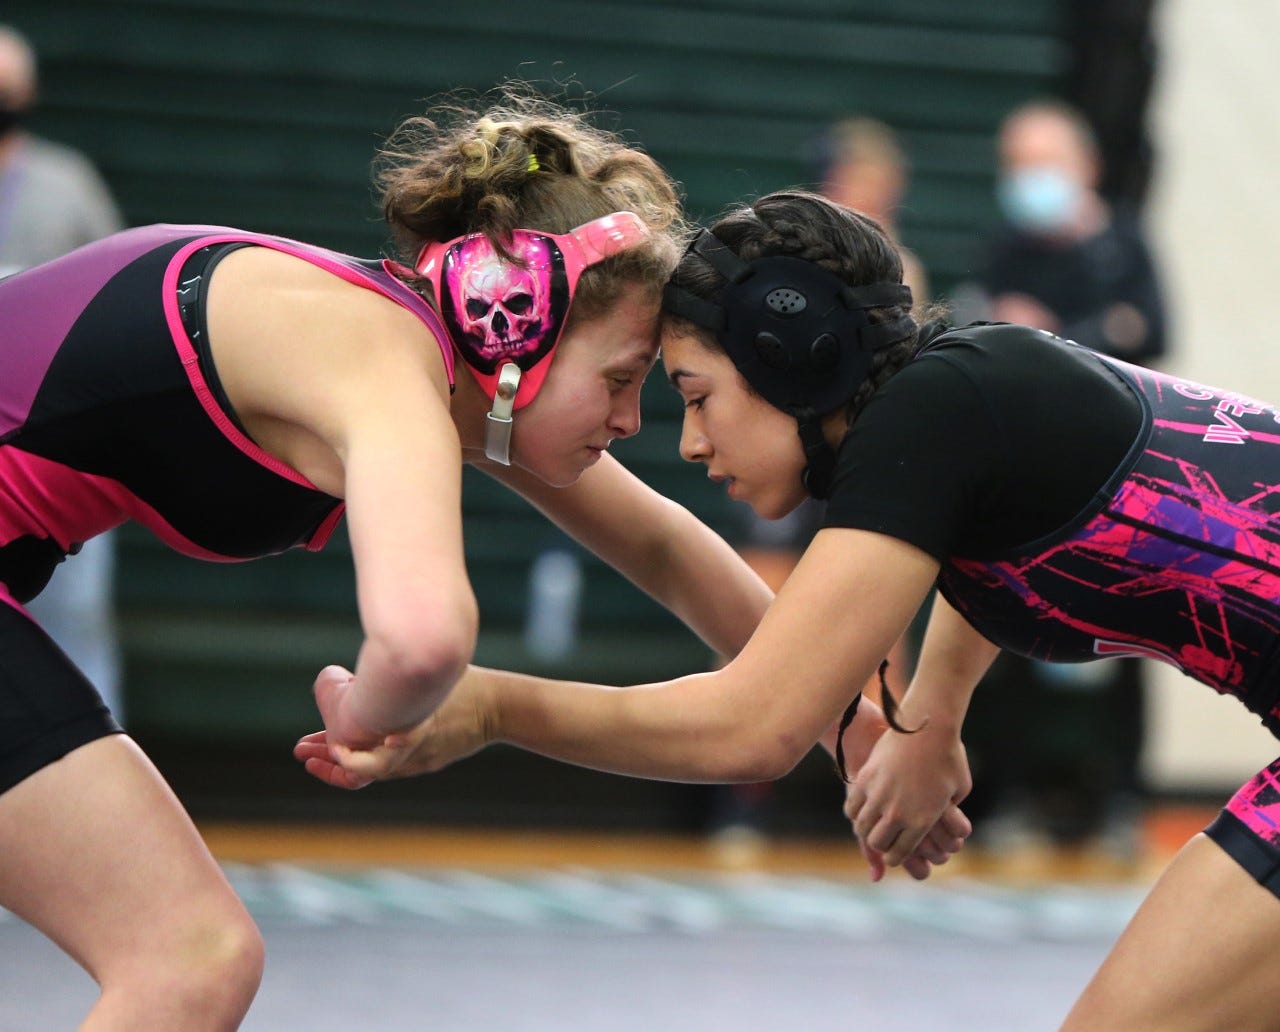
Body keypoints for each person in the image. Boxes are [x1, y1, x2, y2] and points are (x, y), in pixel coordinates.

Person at [2, 93, 969, 1030]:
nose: (634, 424)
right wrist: (370, 713)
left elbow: (670, 551)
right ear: (510, 319)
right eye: (624, 380)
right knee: (188, 958)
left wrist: (859, 739)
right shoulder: (378, 362)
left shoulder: (431, 364)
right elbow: (423, 641)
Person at [302, 187, 1280, 1031]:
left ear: (791, 358)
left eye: (692, 395)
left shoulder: (935, 414)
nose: (684, 442)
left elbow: (752, 725)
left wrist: (490, 709)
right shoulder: (961, 410)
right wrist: (926, 719)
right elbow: (998, 538)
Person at [967, 98, 1170, 853]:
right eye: (1015, 165)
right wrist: (1098, 331)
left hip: (1123, 472)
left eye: (1041, 162)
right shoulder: (1008, 245)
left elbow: (1150, 329)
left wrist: (1059, 332)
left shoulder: (1122, 243)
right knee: (1011, 632)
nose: (1027, 179)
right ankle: (1010, 798)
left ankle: (1121, 802)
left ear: (1082, 166)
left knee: (1139, 640)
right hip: (1030, 471)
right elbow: (993, 332)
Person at [0, 24, 126, 718]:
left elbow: (110, 294)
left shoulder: (64, 181)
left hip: (53, 433)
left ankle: (102, 746)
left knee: (76, 612)